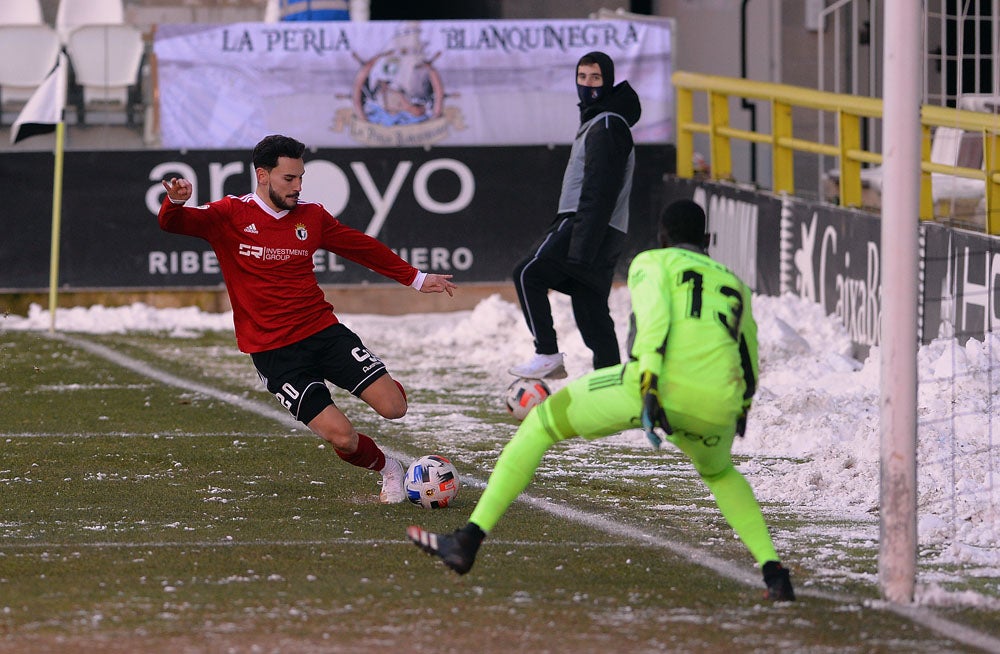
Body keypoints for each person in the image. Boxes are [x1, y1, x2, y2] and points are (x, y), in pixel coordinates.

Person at [408, 199, 796, 602]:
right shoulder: (734, 282)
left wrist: (648, 387)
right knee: (719, 475)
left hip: (656, 385)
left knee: (540, 425)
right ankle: (775, 575)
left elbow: (655, 321)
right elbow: (749, 348)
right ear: (707, 240)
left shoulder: (652, 262)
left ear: (662, 237)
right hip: (721, 402)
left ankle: (467, 541)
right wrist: (742, 405)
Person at [158, 134, 457, 504]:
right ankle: (388, 468)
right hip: (275, 354)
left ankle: (379, 381)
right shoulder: (230, 214)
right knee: (342, 437)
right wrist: (174, 201)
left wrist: (415, 277)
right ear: (262, 175)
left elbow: (360, 246)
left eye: (301, 177)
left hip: (322, 333)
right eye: (289, 179)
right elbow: (174, 223)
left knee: (394, 408)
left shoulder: (311, 217)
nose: (298, 186)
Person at [508, 51, 642, 380]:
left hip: (585, 222)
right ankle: (611, 383)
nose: (588, 85)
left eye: (595, 78)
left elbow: (600, 190)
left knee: (528, 273)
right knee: (591, 309)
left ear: (608, 81)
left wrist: (581, 248)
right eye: (582, 78)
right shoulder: (602, 121)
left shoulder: (608, 124)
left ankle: (547, 353)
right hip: (605, 229)